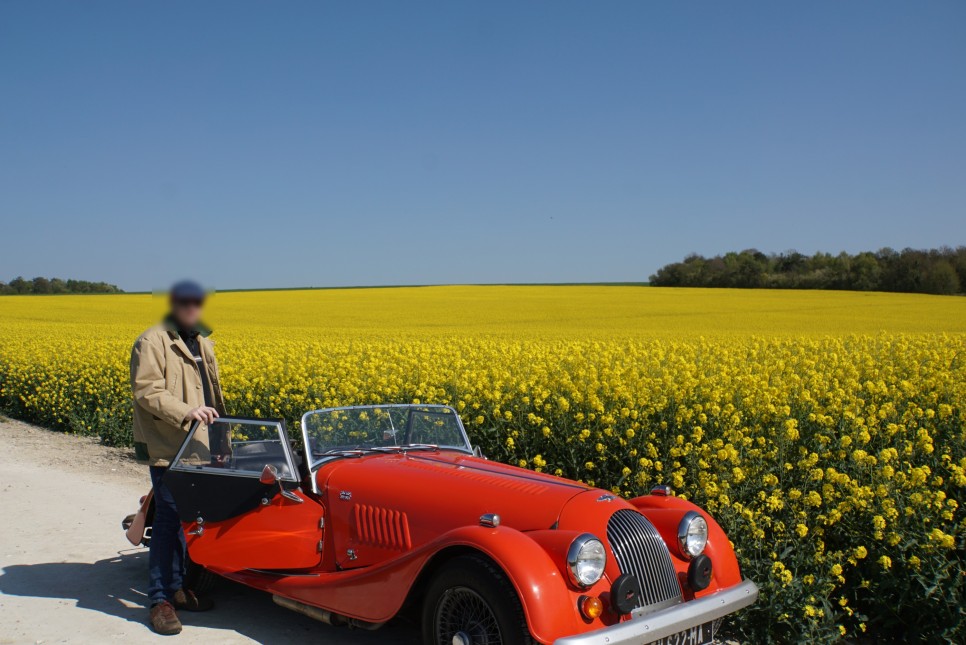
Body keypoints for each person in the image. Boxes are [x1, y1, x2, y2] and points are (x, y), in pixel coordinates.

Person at [130, 280, 225, 635]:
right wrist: (186, 412)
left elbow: (213, 393)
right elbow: (147, 391)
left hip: (201, 446)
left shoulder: (203, 341)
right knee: (169, 521)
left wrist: (223, 437)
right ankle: (159, 600)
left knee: (189, 520)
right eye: (184, 303)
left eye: (196, 303)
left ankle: (178, 588)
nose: (191, 309)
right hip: (169, 446)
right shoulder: (152, 341)